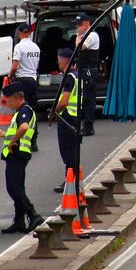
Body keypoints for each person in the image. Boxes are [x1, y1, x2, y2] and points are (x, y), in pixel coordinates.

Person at [0, 86, 40, 234]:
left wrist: (11, 142)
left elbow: (23, 128)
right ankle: (19, 220)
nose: (7, 104)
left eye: (9, 101)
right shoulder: (21, 111)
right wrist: (5, 135)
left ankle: (33, 215)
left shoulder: (24, 111)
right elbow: (18, 131)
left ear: (17, 98)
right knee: (18, 187)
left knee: (13, 187)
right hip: (19, 153)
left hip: (17, 154)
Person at [52, 48, 83, 193]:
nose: (57, 61)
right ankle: (72, 178)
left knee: (67, 150)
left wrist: (54, 111)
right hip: (75, 116)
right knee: (73, 150)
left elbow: (64, 101)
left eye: (58, 58)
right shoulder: (76, 75)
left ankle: (70, 180)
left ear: (64, 60)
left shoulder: (69, 77)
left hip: (67, 117)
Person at [73, 14, 101, 137]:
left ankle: (89, 126)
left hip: (90, 71)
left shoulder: (92, 35)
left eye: (78, 25)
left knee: (89, 99)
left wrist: (78, 37)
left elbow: (81, 47)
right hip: (83, 70)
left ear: (86, 24)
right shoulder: (84, 36)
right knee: (83, 99)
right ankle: (84, 123)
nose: (76, 28)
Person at [11, 22, 41, 102]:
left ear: (19, 33)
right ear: (30, 33)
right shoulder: (36, 47)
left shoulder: (19, 47)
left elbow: (14, 67)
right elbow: (37, 66)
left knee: (23, 105)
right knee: (32, 106)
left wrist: (11, 76)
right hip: (33, 81)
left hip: (22, 81)